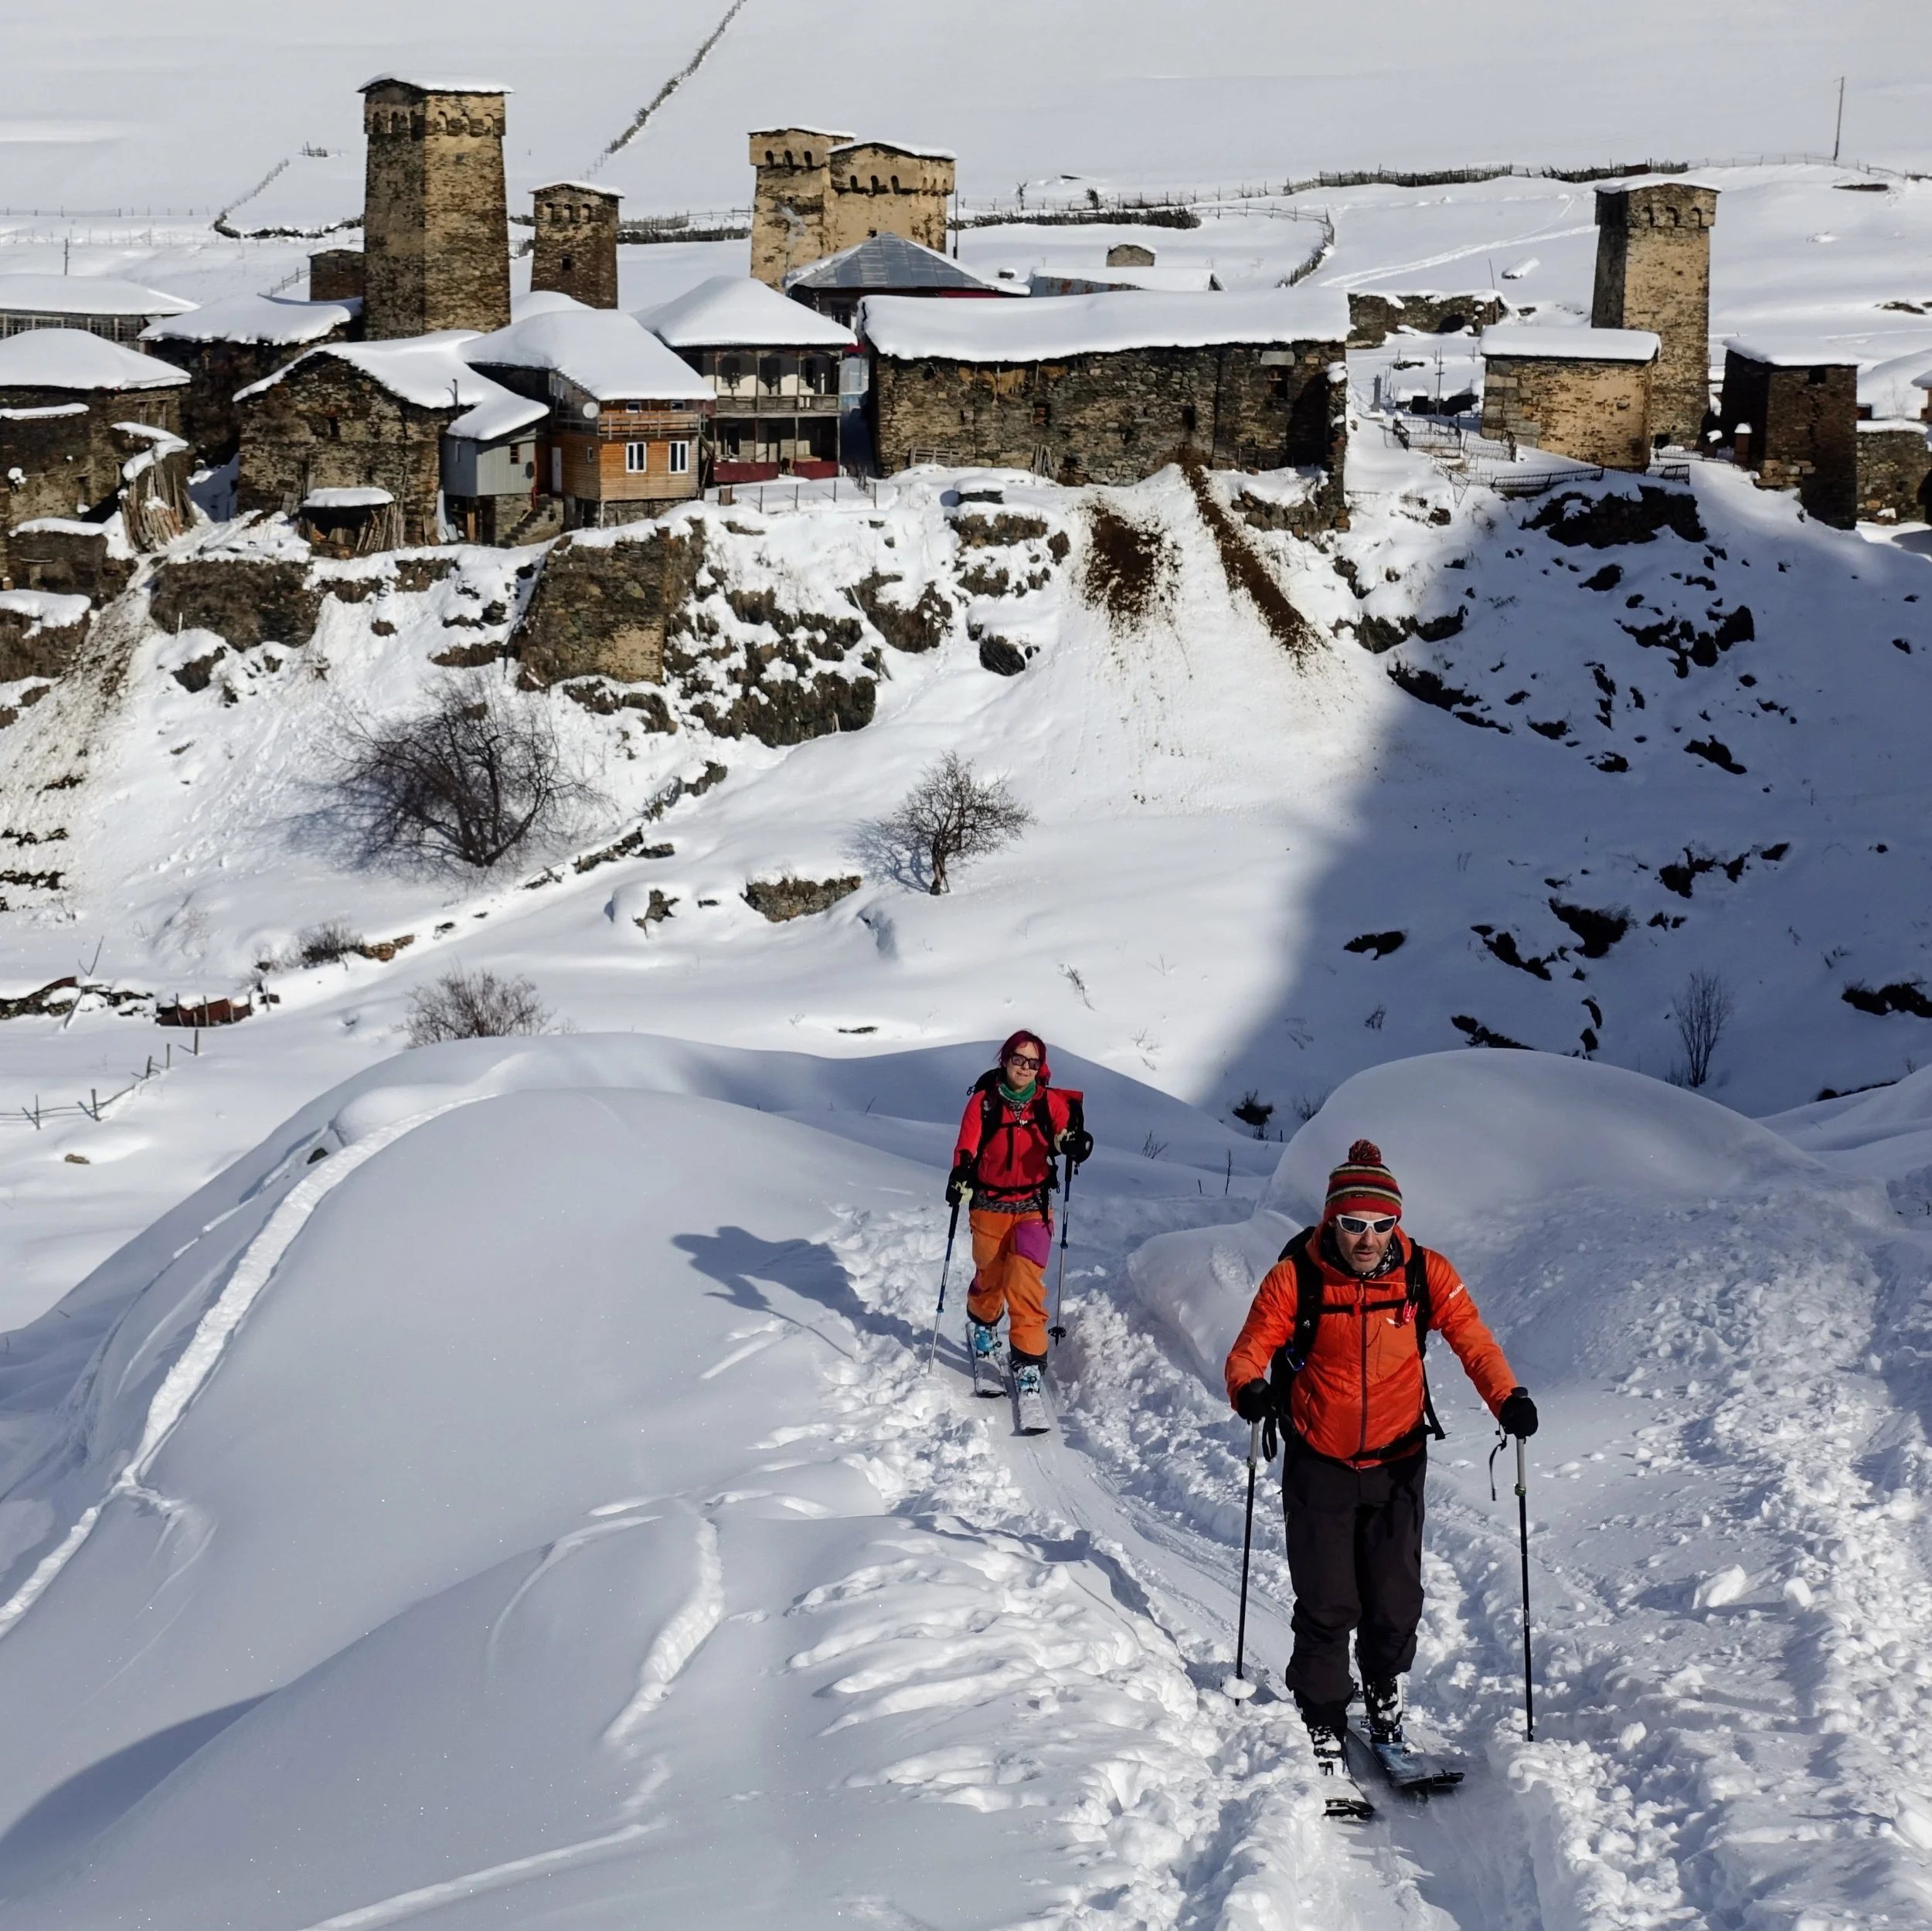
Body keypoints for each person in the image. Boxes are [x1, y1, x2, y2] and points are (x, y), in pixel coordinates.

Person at [1222, 1138, 1537, 1778]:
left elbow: (1472, 1338)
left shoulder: (1425, 1273)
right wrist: (1249, 1388)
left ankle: (1385, 1698)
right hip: (1320, 1458)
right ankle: (1322, 1713)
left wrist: (1507, 1398)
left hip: (1398, 1458)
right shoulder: (1298, 1276)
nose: (1367, 1238)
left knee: (1395, 1597)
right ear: (1332, 1219)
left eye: (1381, 1224)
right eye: (1353, 1223)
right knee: (1328, 1598)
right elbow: (1248, 1349)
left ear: (1397, 1222)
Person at [948, 1032, 1093, 1404]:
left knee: (1024, 1279)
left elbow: (1063, 1136)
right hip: (988, 1204)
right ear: (1005, 1059)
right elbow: (966, 1146)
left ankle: (1028, 1360)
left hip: (1033, 1206)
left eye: (1032, 1062)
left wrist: (1074, 1144)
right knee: (990, 1274)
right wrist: (960, 1175)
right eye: (1018, 1059)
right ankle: (983, 1325)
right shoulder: (984, 1102)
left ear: (1040, 1066)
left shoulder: (1049, 1103)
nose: (1025, 1067)